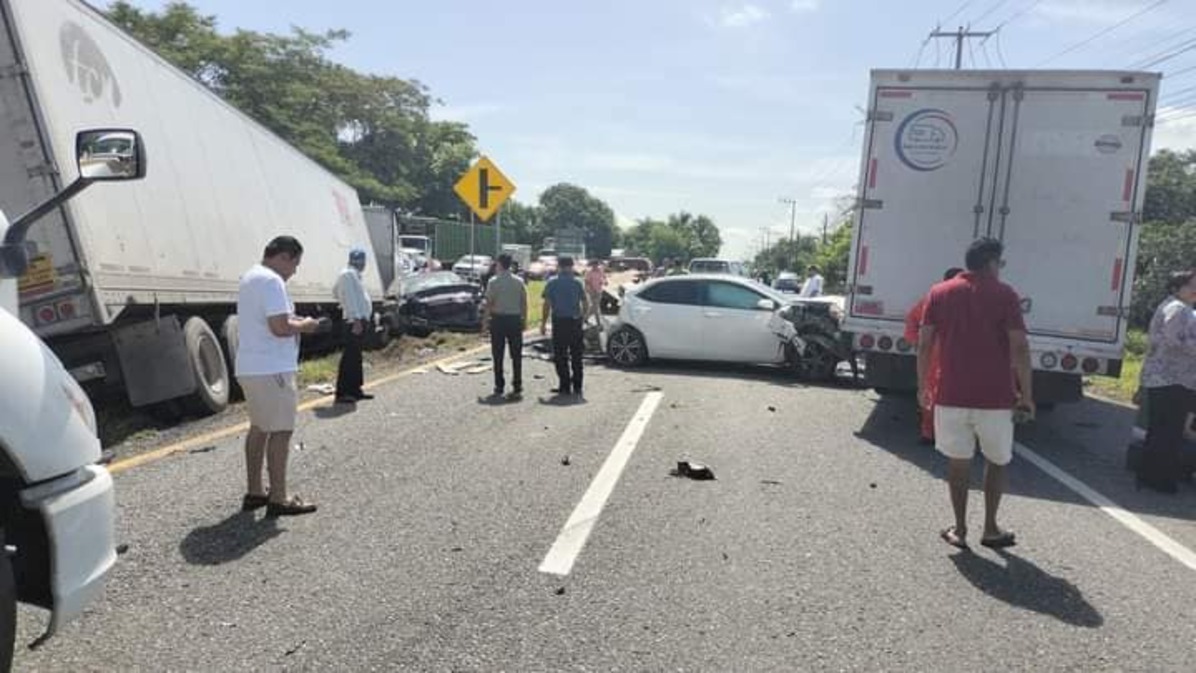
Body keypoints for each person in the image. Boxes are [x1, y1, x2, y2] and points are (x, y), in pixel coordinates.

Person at [918, 238, 1032, 550]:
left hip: (951, 393)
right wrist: (1027, 395)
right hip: (995, 397)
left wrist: (922, 387)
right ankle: (991, 528)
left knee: (959, 463)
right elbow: (1019, 347)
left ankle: (959, 528)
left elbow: (925, 343)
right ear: (992, 262)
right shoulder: (1005, 294)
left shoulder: (939, 293)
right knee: (996, 461)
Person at [236, 236, 322, 517]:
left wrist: (295, 322)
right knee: (282, 431)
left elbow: (273, 321)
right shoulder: (273, 281)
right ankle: (280, 498)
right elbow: (280, 327)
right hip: (272, 369)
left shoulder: (250, 277)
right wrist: (306, 326)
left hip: (250, 366)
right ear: (283, 256)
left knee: (259, 427)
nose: (294, 271)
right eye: (294, 264)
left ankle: (255, 491)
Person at [1135, 270, 1196, 494]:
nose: (1195, 290)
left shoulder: (1176, 307)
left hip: (1166, 377)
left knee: (1160, 428)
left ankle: (1149, 474)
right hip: (1172, 378)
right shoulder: (1178, 309)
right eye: (1191, 285)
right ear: (1177, 288)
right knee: (1168, 430)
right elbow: (1172, 339)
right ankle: (1159, 478)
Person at [905, 267, 964, 444]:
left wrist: (917, 341)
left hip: (940, 351)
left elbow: (911, 321)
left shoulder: (934, 298)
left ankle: (931, 432)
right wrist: (918, 341)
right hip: (945, 352)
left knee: (934, 391)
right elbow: (913, 321)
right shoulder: (963, 299)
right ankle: (933, 432)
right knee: (939, 392)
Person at [541, 256, 588, 397]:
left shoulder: (552, 282)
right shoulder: (578, 282)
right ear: (572, 266)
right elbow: (586, 303)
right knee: (576, 355)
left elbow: (547, 304)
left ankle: (565, 385)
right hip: (575, 322)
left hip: (559, 322)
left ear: (559, 267)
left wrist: (543, 323)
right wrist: (582, 318)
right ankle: (578, 385)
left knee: (560, 355)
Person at [332, 248, 374, 405]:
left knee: (356, 356)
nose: (361, 264)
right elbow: (349, 298)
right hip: (353, 322)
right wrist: (355, 319)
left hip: (356, 320)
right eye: (359, 261)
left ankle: (355, 390)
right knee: (350, 357)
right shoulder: (348, 275)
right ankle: (343, 392)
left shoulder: (352, 275)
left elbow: (335, 292)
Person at [483, 254, 529, 400]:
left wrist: (485, 323)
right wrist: (524, 319)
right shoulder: (519, 281)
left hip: (498, 319)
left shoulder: (493, 281)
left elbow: (489, 303)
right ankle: (517, 384)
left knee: (498, 354)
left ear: (499, 264)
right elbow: (524, 302)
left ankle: (499, 385)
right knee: (516, 354)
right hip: (515, 319)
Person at [584, 259, 607, 326]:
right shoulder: (589, 272)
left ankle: (585, 318)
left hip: (599, 290)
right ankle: (598, 323)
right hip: (591, 291)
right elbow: (587, 282)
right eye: (594, 265)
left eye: (596, 265)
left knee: (594, 306)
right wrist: (591, 289)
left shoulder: (600, 271)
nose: (595, 266)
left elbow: (603, 277)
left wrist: (604, 282)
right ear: (591, 265)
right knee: (596, 307)